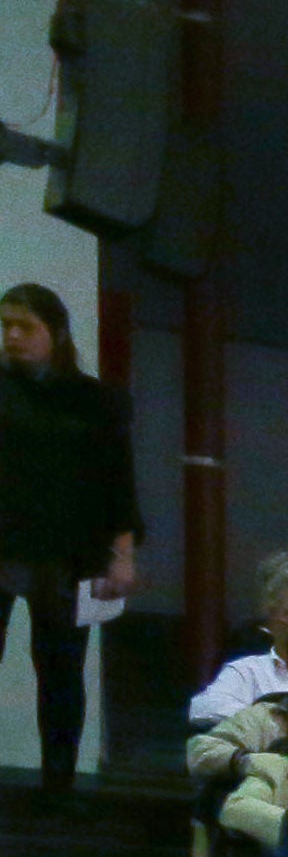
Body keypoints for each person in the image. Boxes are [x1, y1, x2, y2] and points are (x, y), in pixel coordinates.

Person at [0, 279, 141, 801]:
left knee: (60, 671)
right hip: (4, 541)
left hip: (68, 552)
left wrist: (121, 554)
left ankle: (57, 787)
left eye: (24, 327)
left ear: (55, 333)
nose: (12, 336)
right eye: (6, 326)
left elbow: (117, 484)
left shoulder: (96, 400)